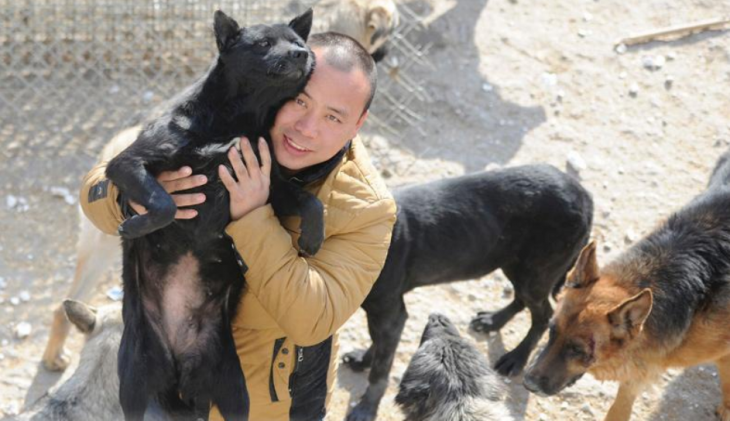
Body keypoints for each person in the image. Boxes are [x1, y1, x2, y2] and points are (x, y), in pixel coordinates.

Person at [79, 32, 397, 420]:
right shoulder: (219, 121)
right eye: (300, 100)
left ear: (359, 123)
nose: (307, 128)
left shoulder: (368, 208)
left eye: (333, 117)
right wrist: (135, 197)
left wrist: (253, 217)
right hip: (161, 375)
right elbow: (96, 189)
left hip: (267, 406)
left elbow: (313, 319)